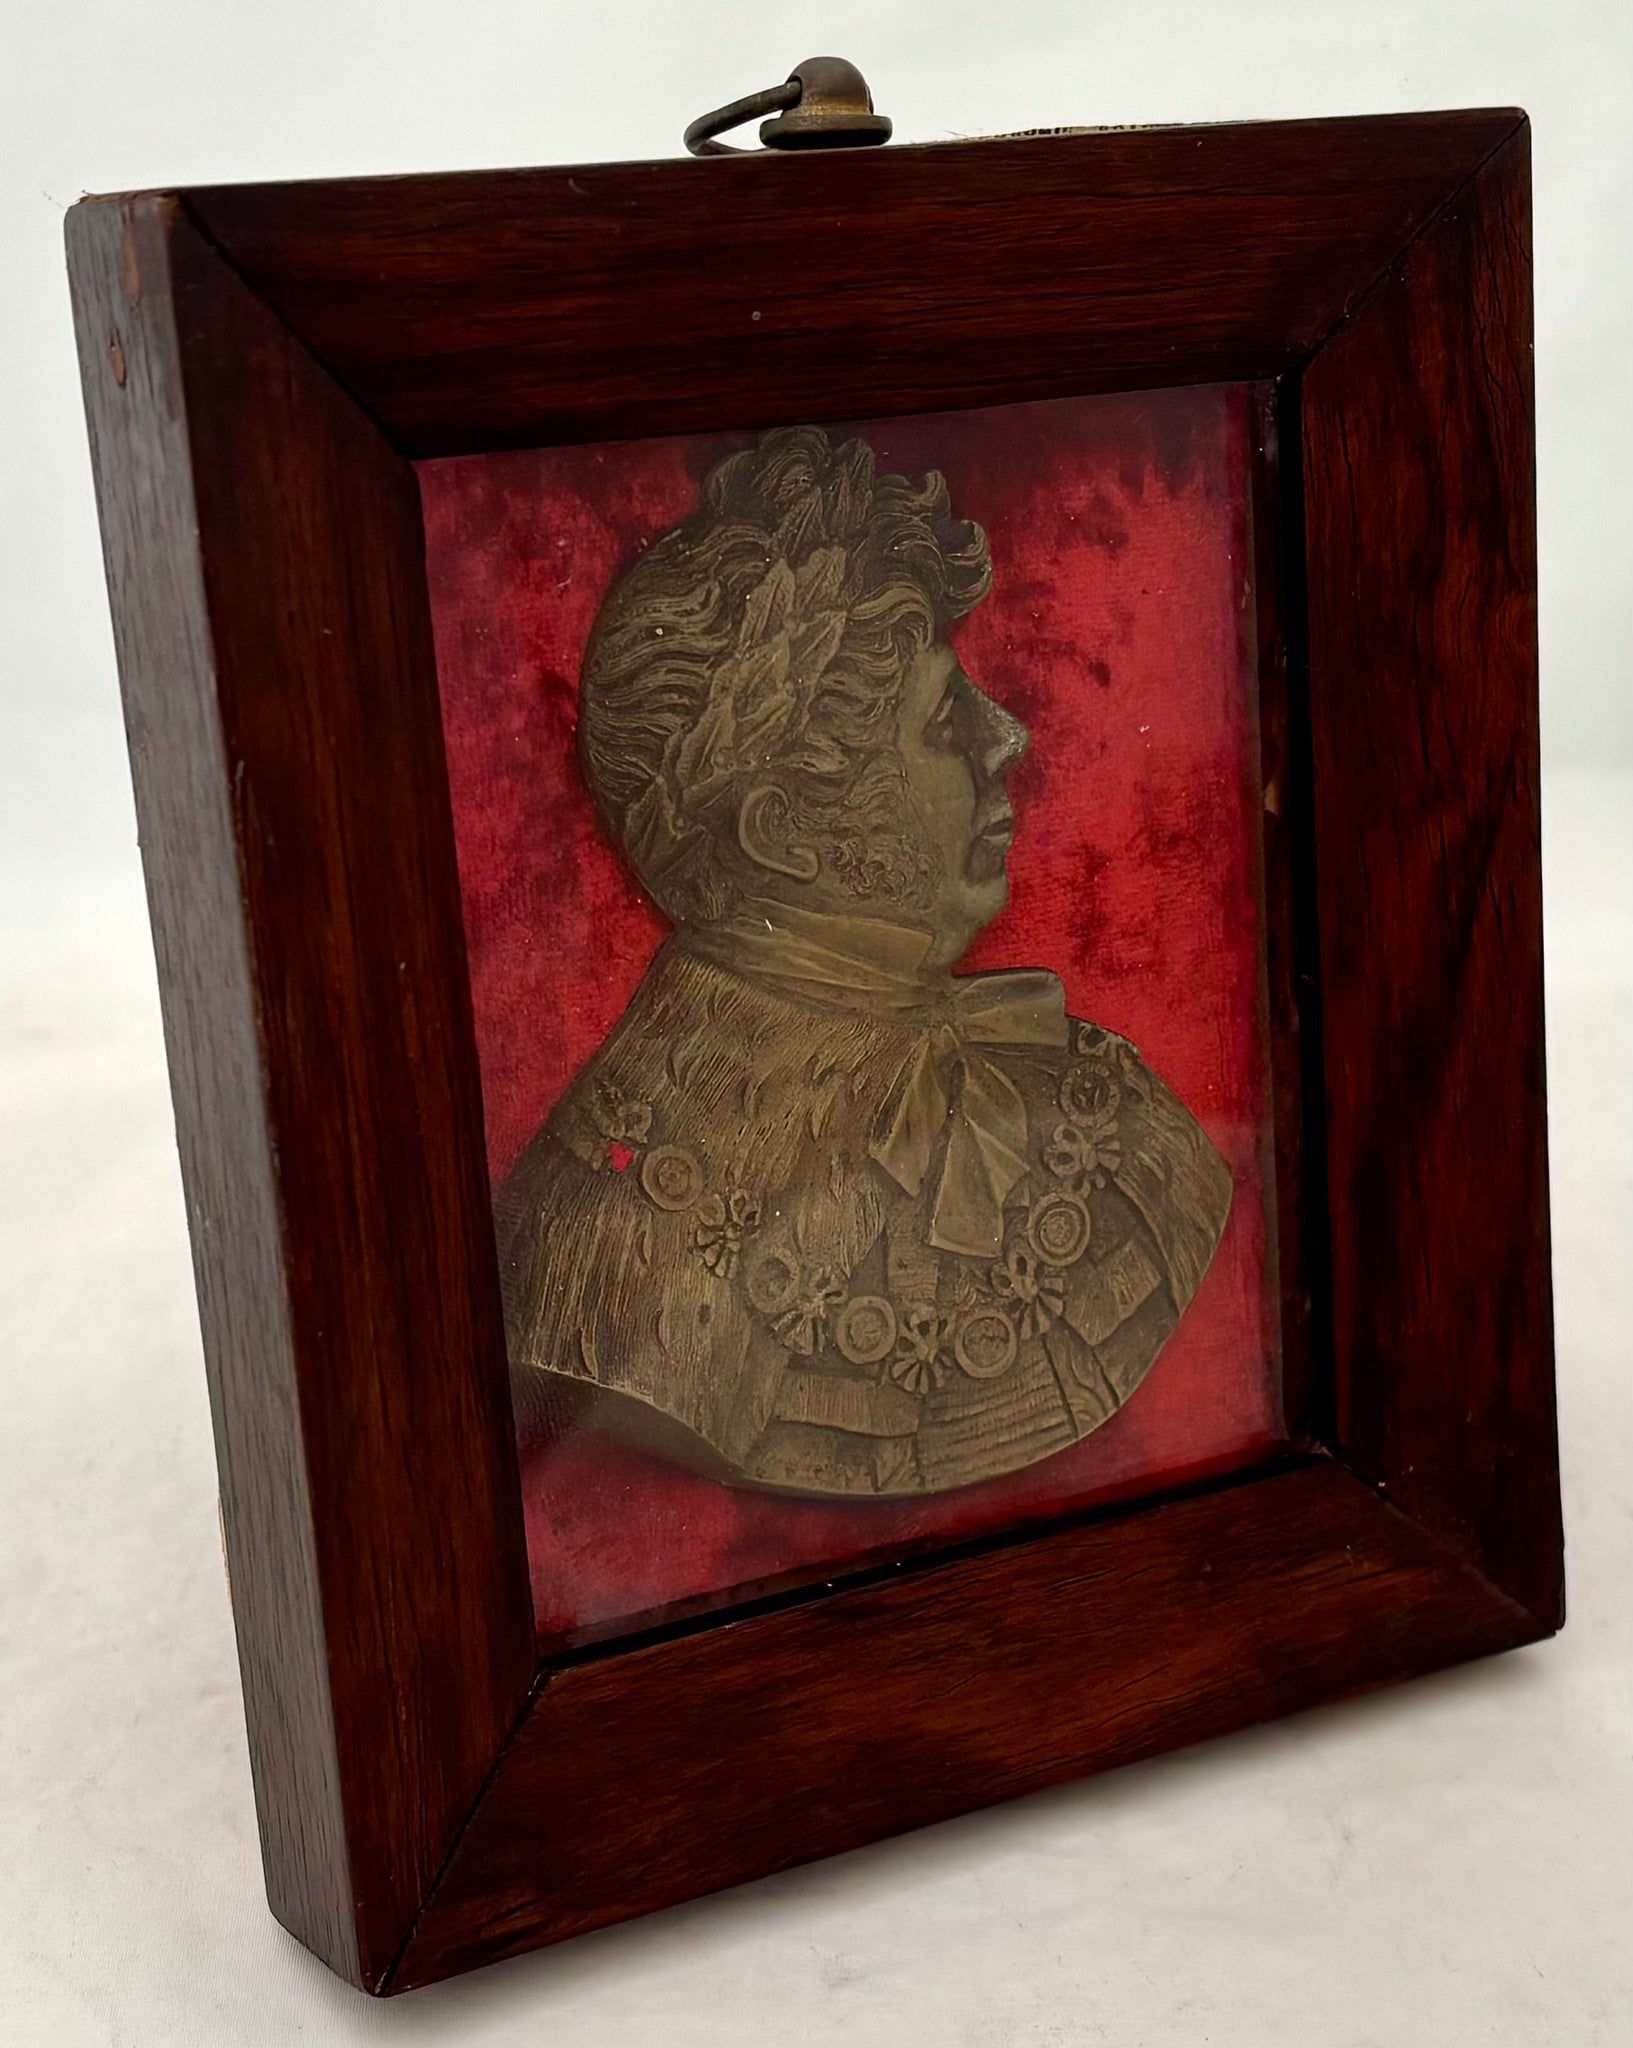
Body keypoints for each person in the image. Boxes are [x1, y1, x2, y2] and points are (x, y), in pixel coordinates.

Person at [495, 425, 1232, 1498]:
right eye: (940, 719)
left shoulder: (1105, 1108)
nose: (1007, 737)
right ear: (783, 830)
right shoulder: (590, 1247)